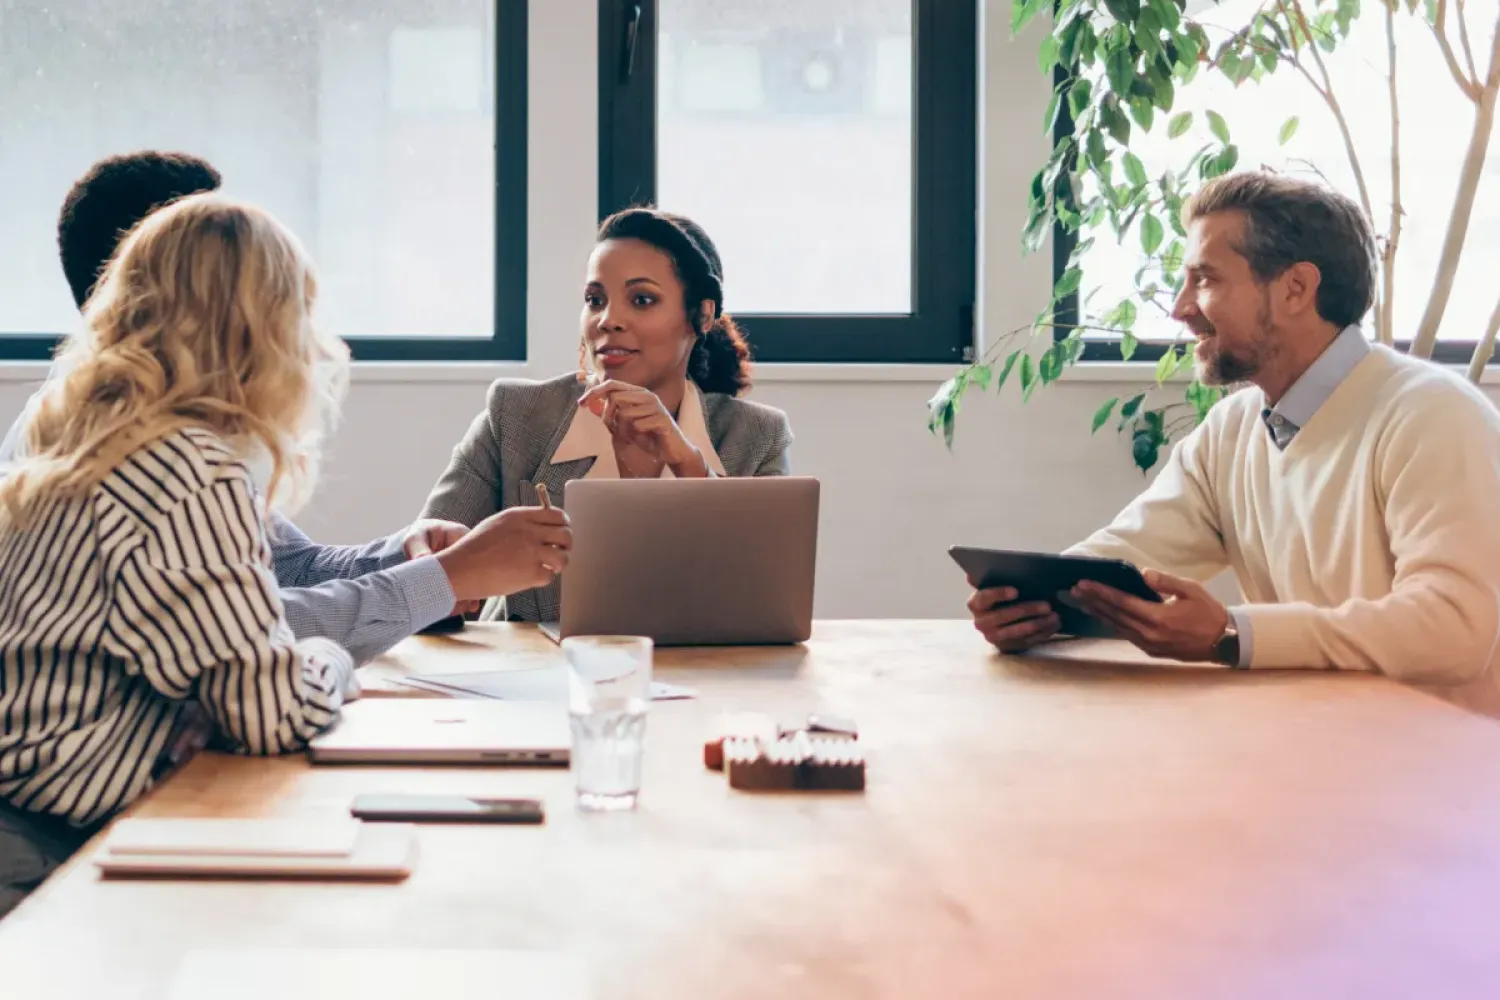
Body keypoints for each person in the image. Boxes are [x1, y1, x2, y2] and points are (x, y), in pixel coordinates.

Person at [967, 170, 1500, 715]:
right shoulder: (1234, 428)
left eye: (1205, 280)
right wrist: (1036, 605)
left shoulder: (1433, 414)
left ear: (1296, 289)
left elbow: (1453, 631)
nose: (1180, 308)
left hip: (1446, 772)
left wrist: (1231, 633)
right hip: (1315, 751)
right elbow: (1129, 556)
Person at [0, 151, 559, 663]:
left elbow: (286, 566)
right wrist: (442, 578)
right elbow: (251, 628)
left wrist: (404, 554)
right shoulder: (116, 443)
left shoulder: (175, 421)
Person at [421, 207, 794, 623]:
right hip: (536, 678)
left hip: (696, 681)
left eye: (642, 300)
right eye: (595, 300)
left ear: (701, 315)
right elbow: (417, 578)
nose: (609, 320)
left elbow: (765, 605)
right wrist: (453, 572)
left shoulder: (757, 435)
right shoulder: (516, 416)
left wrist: (690, 468)